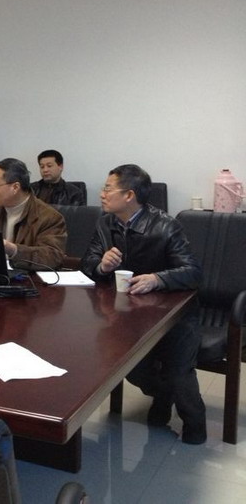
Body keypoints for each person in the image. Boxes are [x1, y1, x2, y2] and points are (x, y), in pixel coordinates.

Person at [80, 164, 206, 444]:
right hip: (128, 314)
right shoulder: (105, 223)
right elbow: (87, 264)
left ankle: (196, 425)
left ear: (129, 195)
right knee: (132, 370)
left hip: (173, 315)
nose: (102, 194)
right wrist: (101, 266)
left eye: (108, 189)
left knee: (178, 373)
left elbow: (194, 272)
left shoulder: (166, 226)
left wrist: (157, 279)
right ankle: (162, 396)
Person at [0, 158, 67, 270]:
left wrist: (13, 249)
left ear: (15, 187)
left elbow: (53, 257)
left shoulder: (50, 217)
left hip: (28, 278)